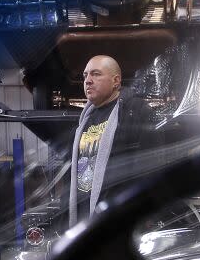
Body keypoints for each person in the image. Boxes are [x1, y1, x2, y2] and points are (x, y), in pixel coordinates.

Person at [68, 54, 159, 227]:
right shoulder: (85, 120)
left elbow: (151, 167)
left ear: (116, 81)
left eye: (96, 74)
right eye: (85, 75)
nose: (88, 80)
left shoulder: (136, 111)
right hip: (84, 222)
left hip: (118, 221)